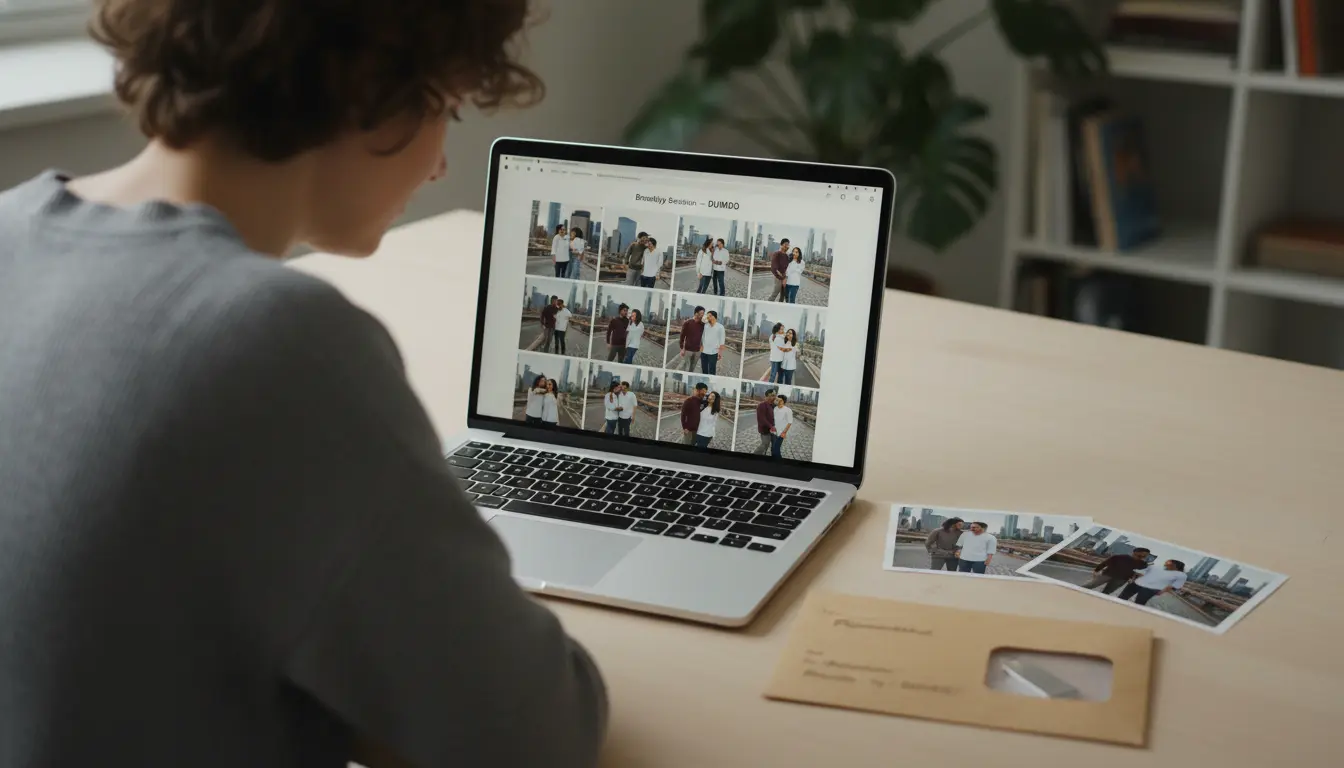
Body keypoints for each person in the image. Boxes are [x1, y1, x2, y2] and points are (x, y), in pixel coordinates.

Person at [0, 1, 608, 766]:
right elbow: (535, 739)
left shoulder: (10, 232)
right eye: (448, 107)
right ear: (365, 83)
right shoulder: (276, 343)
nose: (442, 162)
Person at [1118, 559, 1188, 606]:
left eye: (1169, 563)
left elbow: (1173, 586)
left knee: (1138, 604)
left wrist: (1161, 592)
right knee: (1121, 598)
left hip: (1150, 590)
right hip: (1136, 584)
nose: (1165, 563)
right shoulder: (1155, 567)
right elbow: (1140, 572)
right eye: (1166, 562)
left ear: (1176, 565)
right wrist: (1132, 579)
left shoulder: (1181, 575)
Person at [1083, 548, 1152, 594]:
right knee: (1090, 585)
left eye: (1146, 555)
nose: (1144, 556)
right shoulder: (1119, 557)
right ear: (1135, 552)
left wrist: (1133, 579)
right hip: (1107, 575)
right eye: (1143, 554)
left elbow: (1140, 573)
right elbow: (1105, 563)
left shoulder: (1143, 564)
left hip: (1121, 580)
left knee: (1106, 593)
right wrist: (1096, 571)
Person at [677, 306, 705, 372]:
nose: (703, 315)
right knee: (684, 367)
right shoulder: (687, 323)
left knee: (692, 369)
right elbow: (682, 337)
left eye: (703, 313)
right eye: (701, 313)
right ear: (696, 313)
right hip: (688, 350)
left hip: (697, 351)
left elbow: (705, 337)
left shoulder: (703, 325)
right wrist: (682, 349)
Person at [700, 310, 725, 376]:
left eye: (710, 316)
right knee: (704, 369)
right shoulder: (706, 325)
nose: (708, 317)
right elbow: (703, 336)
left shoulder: (720, 327)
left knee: (712, 370)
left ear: (715, 317)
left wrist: (720, 352)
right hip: (704, 352)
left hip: (713, 352)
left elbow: (722, 341)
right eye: (707, 315)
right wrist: (701, 347)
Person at [755, 388, 777, 454]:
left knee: (775, 446)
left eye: (775, 395)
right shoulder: (762, 405)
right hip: (765, 430)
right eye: (772, 395)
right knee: (764, 445)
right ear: (767, 396)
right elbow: (762, 419)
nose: (774, 397)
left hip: (774, 430)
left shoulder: (773, 406)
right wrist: (771, 427)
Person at [767, 238, 791, 302]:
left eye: (788, 245)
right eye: (785, 244)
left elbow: (787, 268)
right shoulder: (777, 254)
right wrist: (781, 277)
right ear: (781, 245)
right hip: (778, 278)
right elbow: (774, 267)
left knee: (782, 295)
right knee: (775, 293)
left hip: (784, 278)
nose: (787, 246)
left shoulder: (787, 256)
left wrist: (785, 278)